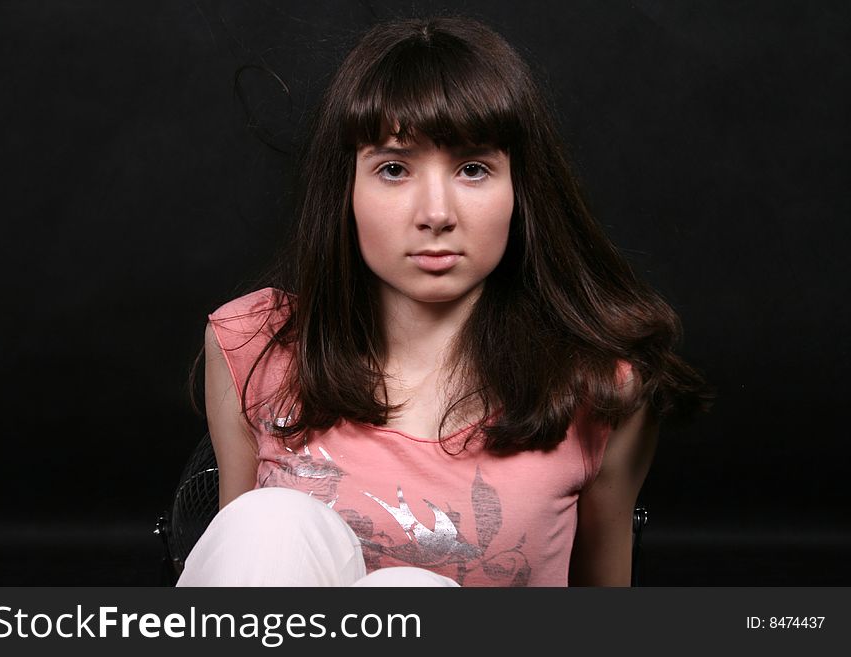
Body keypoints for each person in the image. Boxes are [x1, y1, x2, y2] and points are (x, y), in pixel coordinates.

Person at [177, 16, 710, 587]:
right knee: (267, 521)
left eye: (473, 169)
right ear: (346, 190)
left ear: (520, 192)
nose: (436, 213)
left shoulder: (602, 386)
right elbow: (237, 561)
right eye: (393, 169)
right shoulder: (254, 344)